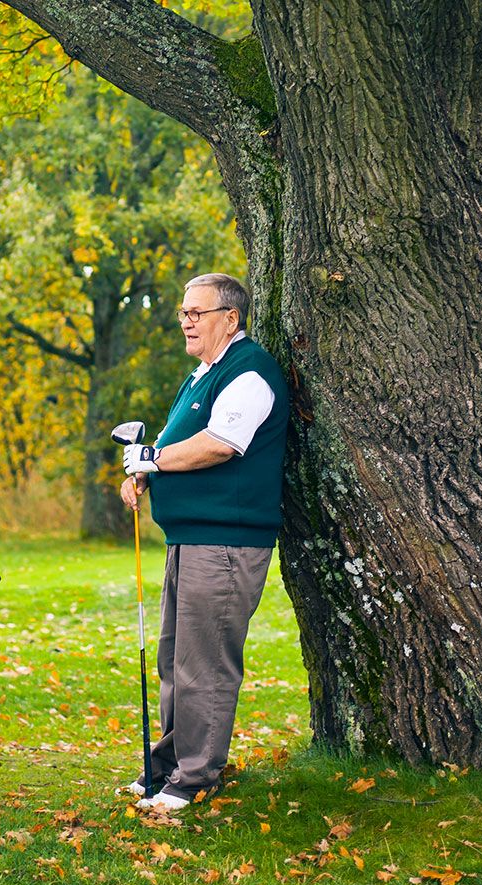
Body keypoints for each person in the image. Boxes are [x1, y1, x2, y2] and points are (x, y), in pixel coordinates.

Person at [119, 272, 289, 811]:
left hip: (225, 543)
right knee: (174, 661)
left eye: (198, 313)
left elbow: (220, 444)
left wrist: (152, 458)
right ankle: (168, 763)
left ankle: (196, 778)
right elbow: (176, 443)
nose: (186, 322)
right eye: (183, 313)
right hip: (189, 538)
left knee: (205, 664)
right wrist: (145, 473)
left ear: (230, 318)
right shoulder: (202, 375)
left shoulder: (248, 371)